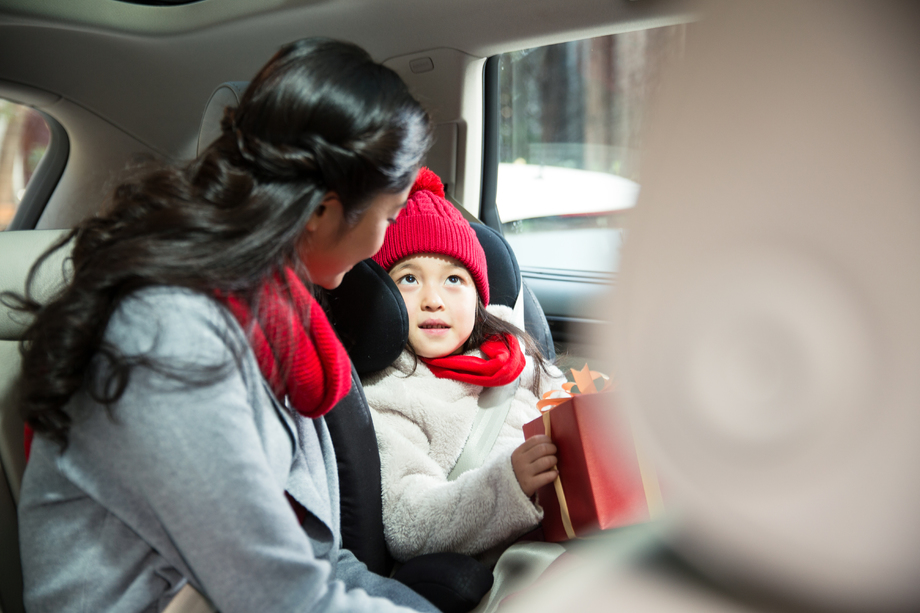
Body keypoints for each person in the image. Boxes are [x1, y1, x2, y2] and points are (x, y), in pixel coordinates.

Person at [12, 38, 440, 613]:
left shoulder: (276, 321)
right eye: (389, 215)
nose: (384, 240)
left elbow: (315, 559)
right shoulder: (167, 334)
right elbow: (282, 595)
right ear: (321, 210)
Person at [362, 168, 566, 563]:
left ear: (478, 297)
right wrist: (508, 485)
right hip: (509, 567)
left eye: (454, 279)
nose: (433, 299)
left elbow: (564, 408)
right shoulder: (390, 395)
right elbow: (410, 523)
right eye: (408, 279)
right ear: (382, 297)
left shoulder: (513, 350)